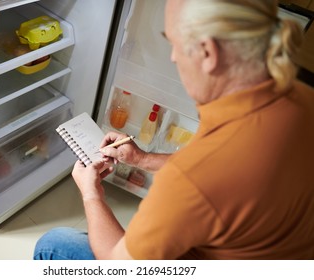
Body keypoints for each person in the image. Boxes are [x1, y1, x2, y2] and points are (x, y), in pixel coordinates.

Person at [34, 0, 314, 260]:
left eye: (175, 43)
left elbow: (118, 265)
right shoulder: (302, 98)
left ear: (208, 52)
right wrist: (141, 159)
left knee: (54, 244)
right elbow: (217, 169)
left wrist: (91, 193)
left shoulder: (190, 181)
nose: (173, 57)